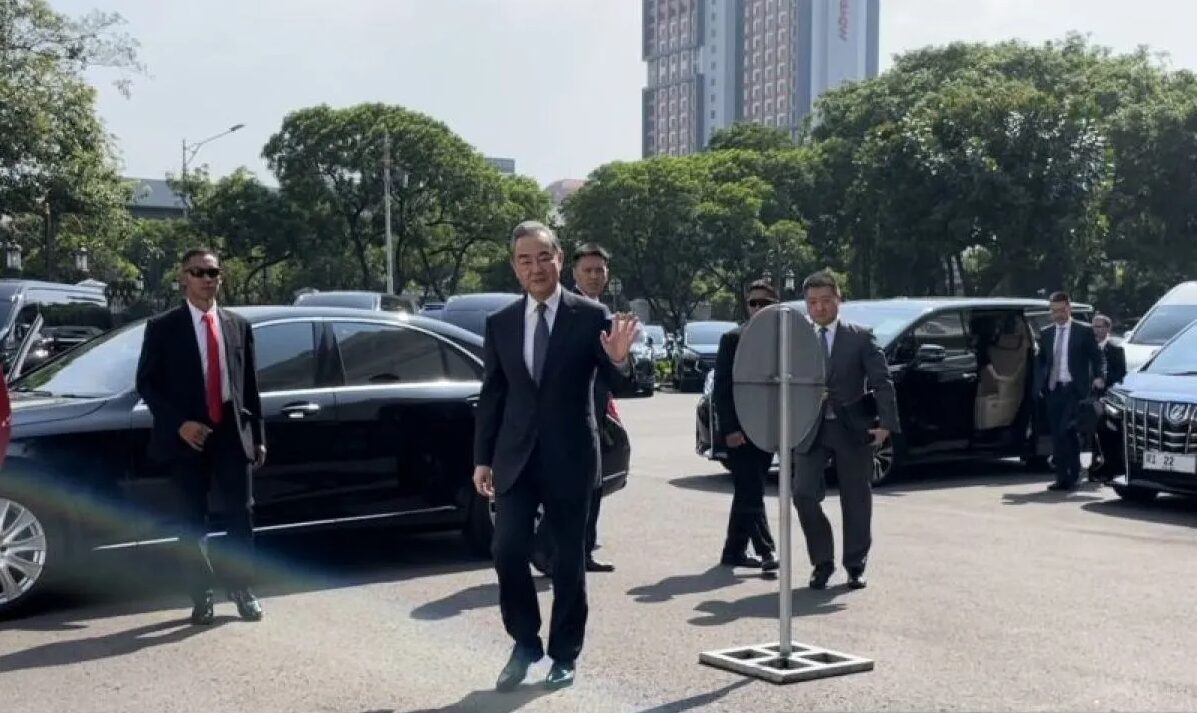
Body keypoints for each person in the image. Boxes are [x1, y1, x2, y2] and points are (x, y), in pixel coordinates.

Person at [473, 221, 637, 692]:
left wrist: (620, 359)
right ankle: (525, 642)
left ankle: (564, 654)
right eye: (525, 260)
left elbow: (614, 379)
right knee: (506, 549)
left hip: (571, 455)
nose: (536, 267)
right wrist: (482, 457)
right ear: (515, 268)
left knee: (568, 559)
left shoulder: (589, 315)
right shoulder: (500, 322)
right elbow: (493, 394)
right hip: (515, 457)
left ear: (559, 259)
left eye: (543, 257)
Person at [135, 248, 267, 625]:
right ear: (184, 277)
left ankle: (243, 590)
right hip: (187, 434)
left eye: (214, 273)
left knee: (241, 515)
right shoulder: (163, 327)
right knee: (192, 520)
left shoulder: (237, 326)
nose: (208, 279)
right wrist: (179, 423)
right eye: (199, 272)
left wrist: (257, 435)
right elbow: (147, 382)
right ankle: (202, 595)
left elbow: (250, 387)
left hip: (230, 429)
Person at [792, 271, 899, 591]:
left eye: (826, 301)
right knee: (803, 494)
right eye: (812, 302)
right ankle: (822, 562)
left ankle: (855, 564)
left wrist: (886, 425)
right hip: (809, 429)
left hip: (852, 428)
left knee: (856, 498)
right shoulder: (797, 341)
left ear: (839, 300)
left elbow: (882, 382)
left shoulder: (860, 337)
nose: (819, 308)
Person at [530, 243, 618, 576]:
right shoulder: (566, 311)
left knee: (591, 486)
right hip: (564, 415)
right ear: (574, 272)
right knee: (568, 487)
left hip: (595, 410)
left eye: (600, 270)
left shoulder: (600, 311)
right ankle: (544, 548)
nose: (595, 276)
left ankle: (582, 551)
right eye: (588, 270)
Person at [713, 279, 779, 571]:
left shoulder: (783, 337)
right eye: (753, 303)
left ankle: (733, 551)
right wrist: (729, 429)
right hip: (740, 429)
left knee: (746, 489)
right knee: (752, 489)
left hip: (769, 427)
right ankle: (767, 551)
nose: (758, 308)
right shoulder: (732, 338)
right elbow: (722, 389)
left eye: (764, 303)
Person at [1035, 291, 1106, 492]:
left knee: (1067, 431)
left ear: (1069, 308)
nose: (1058, 314)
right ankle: (1061, 478)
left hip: (1075, 390)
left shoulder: (1083, 331)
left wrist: (1100, 376)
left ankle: (1072, 474)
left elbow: (1097, 357)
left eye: (1061, 310)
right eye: (1054, 311)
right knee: (1057, 435)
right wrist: (1039, 384)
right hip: (1053, 389)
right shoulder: (1047, 333)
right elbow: (1041, 361)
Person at [1087, 313, 1125, 481]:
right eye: (1094, 326)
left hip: (1106, 398)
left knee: (1104, 433)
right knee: (1088, 433)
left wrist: (1104, 381)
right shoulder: (1088, 348)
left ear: (1107, 328)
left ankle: (1105, 467)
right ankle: (1093, 467)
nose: (1096, 330)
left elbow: (1121, 374)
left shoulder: (1115, 349)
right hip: (1088, 396)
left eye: (1099, 326)